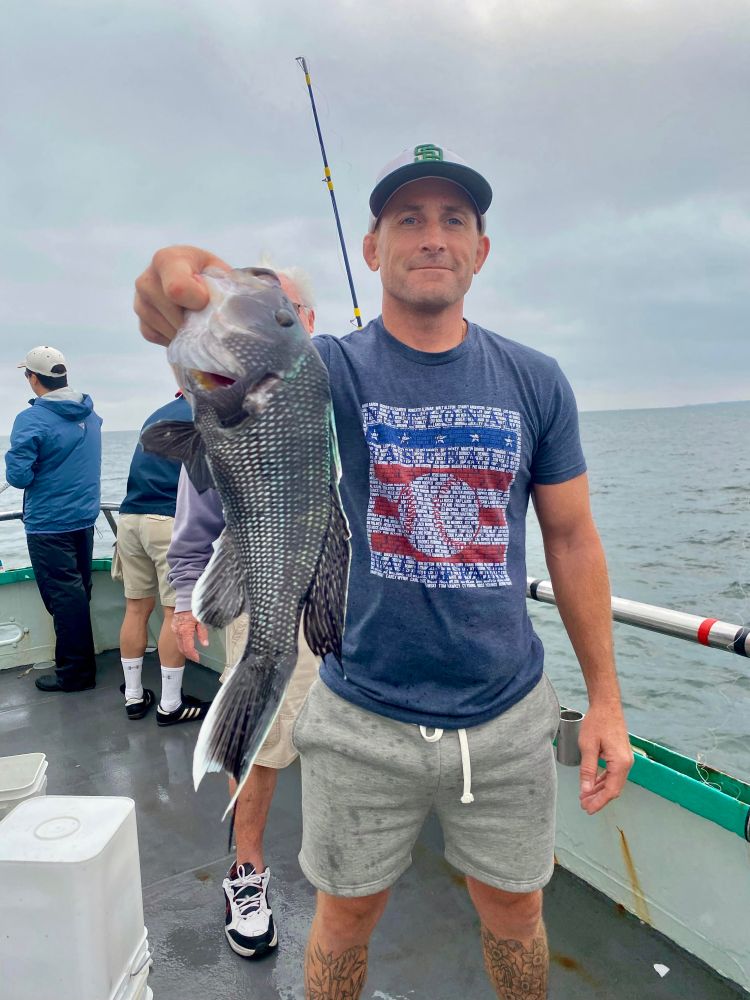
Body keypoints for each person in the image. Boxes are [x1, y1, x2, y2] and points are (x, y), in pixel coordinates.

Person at [134, 144, 634, 1000]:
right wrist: (182, 291)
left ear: (481, 249)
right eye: (408, 219)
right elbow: (231, 362)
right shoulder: (326, 370)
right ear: (372, 248)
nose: (432, 236)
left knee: (516, 913)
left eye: (454, 220)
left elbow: (574, 539)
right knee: (344, 916)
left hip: (508, 715)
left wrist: (608, 701)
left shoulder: (536, 379)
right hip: (359, 712)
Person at [167, 265, 319, 959]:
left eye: (282, 308)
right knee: (260, 742)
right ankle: (247, 872)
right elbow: (197, 509)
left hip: (357, 598)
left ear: (308, 321)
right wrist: (182, 595)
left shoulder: (349, 385)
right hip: (263, 592)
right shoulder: (233, 395)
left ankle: (349, 870)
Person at [4, 346, 102, 693]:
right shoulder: (90, 414)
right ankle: (79, 665)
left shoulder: (31, 419)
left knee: (63, 597)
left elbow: (18, 476)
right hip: (84, 518)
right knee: (77, 593)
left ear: (33, 378)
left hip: (49, 524)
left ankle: (76, 674)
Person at [115, 392, 213, 724]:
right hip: (167, 522)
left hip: (130, 520)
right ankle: (170, 705)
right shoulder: (208, 415)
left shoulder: (156, 414)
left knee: (135, 607)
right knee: (174, 612)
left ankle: (133, 696)